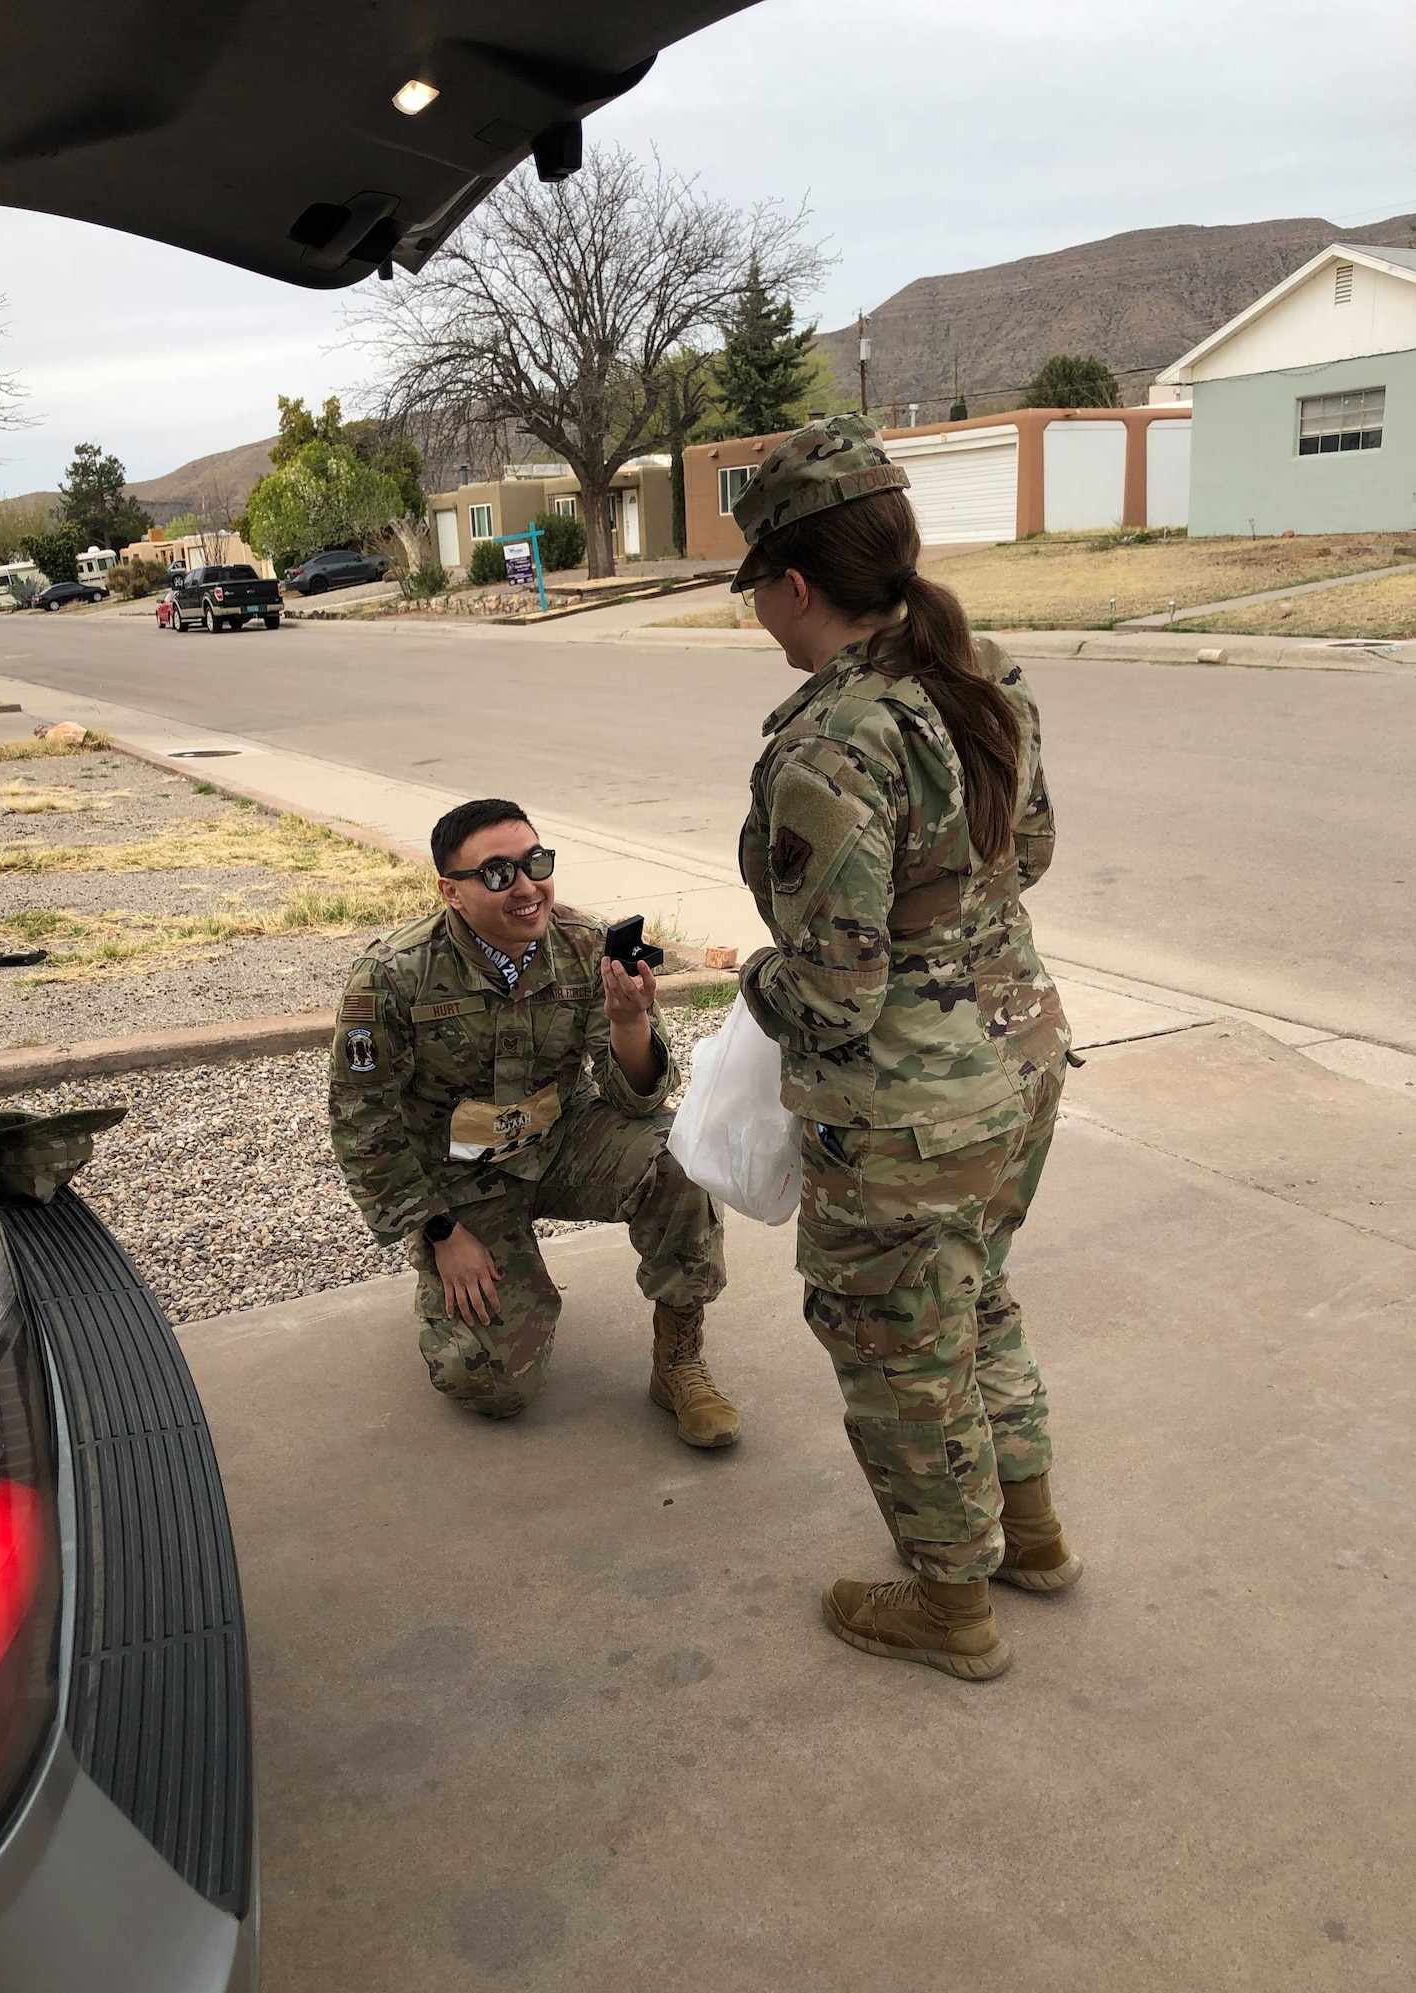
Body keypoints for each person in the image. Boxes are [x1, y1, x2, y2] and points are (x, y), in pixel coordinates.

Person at [729, 414, 1079, 1680]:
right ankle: (1029, 1537)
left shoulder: (834, 741)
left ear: (795, 584)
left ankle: (952, 1604)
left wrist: (751, 976)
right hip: (1019, 1058)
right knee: (976, 1295)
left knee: (898, 1345)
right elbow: (1026, 858)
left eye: (758, 586)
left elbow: (833, 992)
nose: (758, 610)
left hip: (906, 1113)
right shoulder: (980, 674)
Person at [329, 798, 738, 1448]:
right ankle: (485, 1278)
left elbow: (636, 1099)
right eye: (497, 874)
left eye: (535, 863)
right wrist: (440, 1232)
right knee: (491, 1386)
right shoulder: (394, 977)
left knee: (680, 1158)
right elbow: (362, 1125)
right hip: (461, 1177)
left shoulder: (585, 945)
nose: (526, 887)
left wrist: (629, 1023)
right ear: (452, 892)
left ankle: (679, 1362)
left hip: (560, 1140)